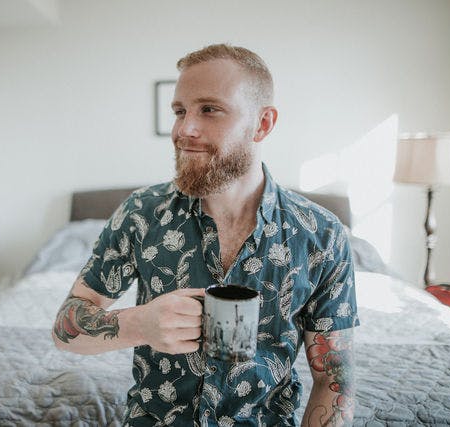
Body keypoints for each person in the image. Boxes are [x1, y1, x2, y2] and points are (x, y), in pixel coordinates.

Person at [52, 43, 359, 426]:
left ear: (262, 124)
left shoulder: (323, 235)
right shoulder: (141, 214)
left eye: (209, 109)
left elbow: (335, 379)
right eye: (180, 111)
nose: (184, 129)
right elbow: (65, 328)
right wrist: (138, 324)